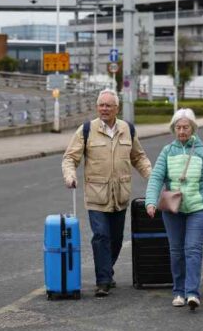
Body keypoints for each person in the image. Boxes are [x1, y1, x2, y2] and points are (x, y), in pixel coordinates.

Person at [62, 88, 152, 297]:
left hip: (120, 196)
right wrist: (70, 175)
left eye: (108, 105)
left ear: (116, 108)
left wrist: (153, 177)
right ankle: (102, 280)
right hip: (96, 195)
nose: (104, 109)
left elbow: (139, 157)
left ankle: (107, 271)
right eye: (101, 105)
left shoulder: (127, 129)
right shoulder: (86, 130)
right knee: (101, 236)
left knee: (116, 239)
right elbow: (70, 158)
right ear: (97, 107)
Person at [145, 108, 203, 310]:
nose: (182, 131)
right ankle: (178, 292)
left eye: (185, 127)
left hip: (199, 208)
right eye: (178, 127)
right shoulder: (167, 151)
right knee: (176, 251)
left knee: (192, 249)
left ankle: (192, 293)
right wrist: (150, 202)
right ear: (173, 129)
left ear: (193, 128)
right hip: (173, 210)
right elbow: (156, 178)